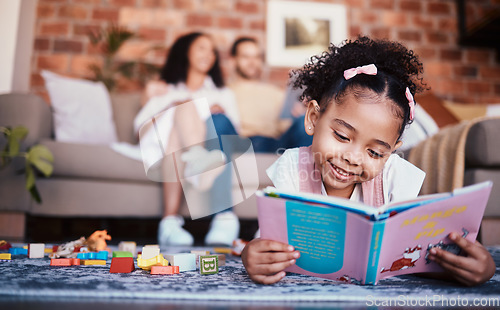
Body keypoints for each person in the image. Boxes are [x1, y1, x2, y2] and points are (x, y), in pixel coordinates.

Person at [241, 36, 496, 286]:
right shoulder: (292, 167)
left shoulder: (395, 177)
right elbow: (267, 244)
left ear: (393, 151)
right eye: (342, 136)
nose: (352, 158)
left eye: (375, 153)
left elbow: (413, 257)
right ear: (313, 118)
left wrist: (468, 266)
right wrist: (251, 255)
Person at [135, 32, 240, 247]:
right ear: (186, 51)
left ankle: (169, 223)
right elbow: (140, 125)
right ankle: (197, 161)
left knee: (210, 122)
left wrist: (212, 115)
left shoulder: (222, 93)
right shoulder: (166, 90)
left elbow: (233, 130)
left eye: (212, 51)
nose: (208, 55)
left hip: (187, 144)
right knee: (183, 107)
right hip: (160, 140)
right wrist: (170, 109)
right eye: (201, 48)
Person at [229, 37, 312, 152]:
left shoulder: (276, 93)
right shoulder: (225, 92)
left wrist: (300, 116)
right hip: (241, 143)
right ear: (234, 60)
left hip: (273, 144)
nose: (252, 62)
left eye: (256, 57)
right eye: (245, 57)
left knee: (304, 123)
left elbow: (285, 127)